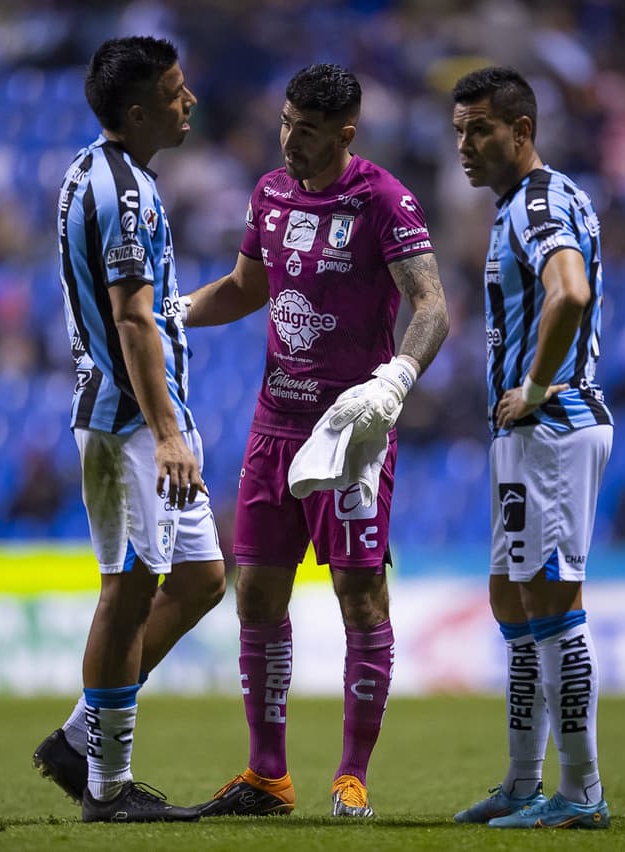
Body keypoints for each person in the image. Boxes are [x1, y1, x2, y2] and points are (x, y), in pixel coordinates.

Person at [187, 63, 449, 819]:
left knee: (359, 594)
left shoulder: (383, 200)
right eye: (285, 122)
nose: (290, 140)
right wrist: (176, 311)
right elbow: (245, 288)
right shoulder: (269, 192)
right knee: (258, 594)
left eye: (306, 129)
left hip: (351, 434)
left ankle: (351, 775)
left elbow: (431, 307)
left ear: (345, 132)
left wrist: (397, 377)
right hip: (273, 427)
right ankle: (268, 775)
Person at [30, 35, 225, 823]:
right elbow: (134, 321)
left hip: (141, 419)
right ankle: (107, 788)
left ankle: (81, 738)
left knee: (203, 580)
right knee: (129, 588)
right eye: (177, 92)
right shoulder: (126, 194)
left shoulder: (97, 173)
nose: (191, 101)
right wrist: (169, 432)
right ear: (139, 110)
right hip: (127, 426)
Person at [449, 67, 614, 830]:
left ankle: (580, 791)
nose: (465, 146)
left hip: (550, 427)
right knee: (510, 598)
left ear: (521, 131)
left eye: (479, 130)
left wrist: (538, 386)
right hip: (523, 435)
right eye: (459, 132)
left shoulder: (540, 202)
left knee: (550, 600)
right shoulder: (523, 203)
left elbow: (570, 291)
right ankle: (522, 783)